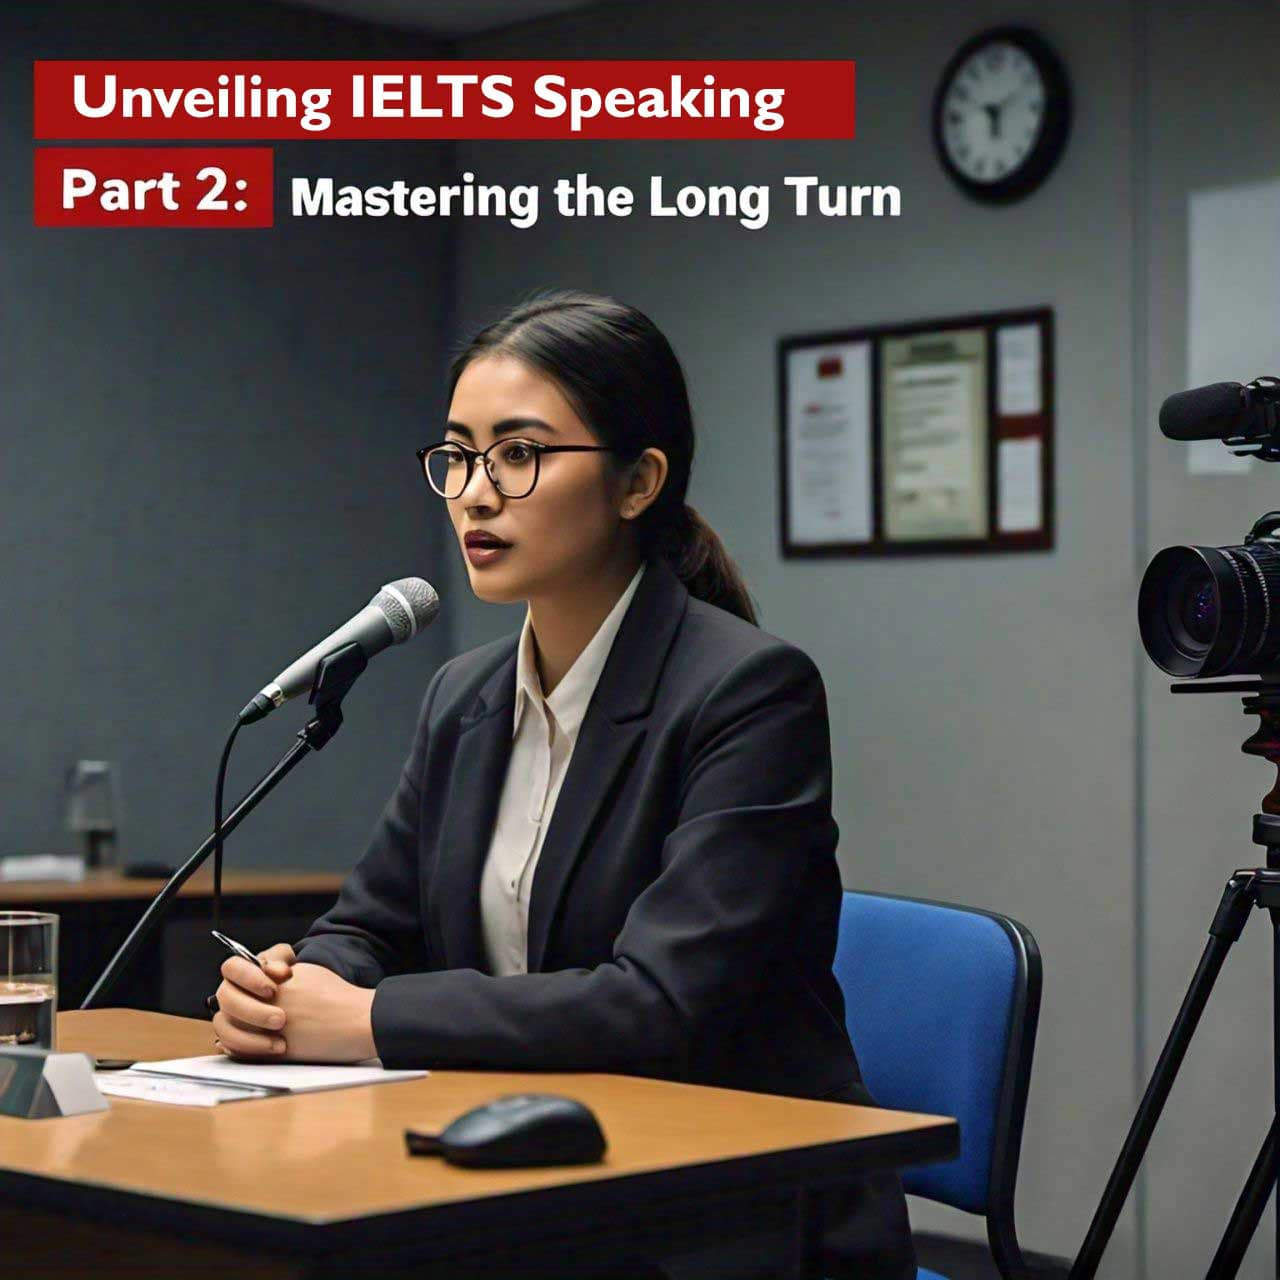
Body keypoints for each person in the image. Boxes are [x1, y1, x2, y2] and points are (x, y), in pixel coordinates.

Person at [208, 289, 915, 1279]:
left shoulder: (749, 691)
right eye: (456, 454)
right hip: (520, 1185)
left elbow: (657, 1004)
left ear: (637, 482)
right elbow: (371, 924)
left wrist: (365, 1018)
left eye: (519, 452)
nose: (475, 491)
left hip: (722, 1209)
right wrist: (287, 993)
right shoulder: (464, 695)